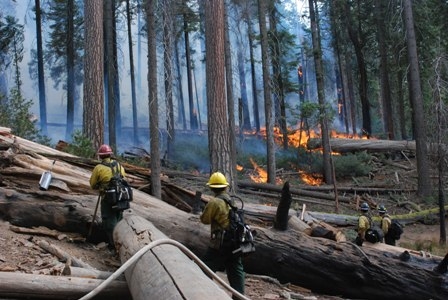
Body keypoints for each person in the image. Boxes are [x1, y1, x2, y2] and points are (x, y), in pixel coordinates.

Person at [200, 172, 245, 298]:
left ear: (212, 188)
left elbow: (205, 219)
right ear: (225, 187)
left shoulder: (214, 202)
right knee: (236, 270)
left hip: (220, 243)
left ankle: (200, 292)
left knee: (205, 267)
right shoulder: (231, 201)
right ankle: (239, 296)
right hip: (235, 242)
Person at [89, 144, 126, 254]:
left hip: (107, 198)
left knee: (109, 223)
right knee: (119, 219)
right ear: (110, 154)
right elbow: (123, 178)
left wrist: (101, 185)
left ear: (101, 156)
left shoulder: (99, 168)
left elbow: (92, 184)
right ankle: (122, 244)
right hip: (120, 198)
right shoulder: (119, 166)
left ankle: (113, 246)